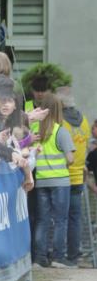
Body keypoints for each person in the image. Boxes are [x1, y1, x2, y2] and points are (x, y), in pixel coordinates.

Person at [33, 92, 75, 268]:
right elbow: (71, 159)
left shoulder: (35, 130)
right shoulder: (61, 131)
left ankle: (39, 258)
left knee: (42, 220)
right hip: (60, 182)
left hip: (41, 181)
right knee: (60, 220)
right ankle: (58, 257)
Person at [57, 87, 91, 265]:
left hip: (62, 175)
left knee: (60, 218)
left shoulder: (60, 121)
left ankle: (58, 255)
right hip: (79, 175)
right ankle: (73, 256)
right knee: (75, 218)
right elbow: (84, 144)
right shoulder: (83, 120)